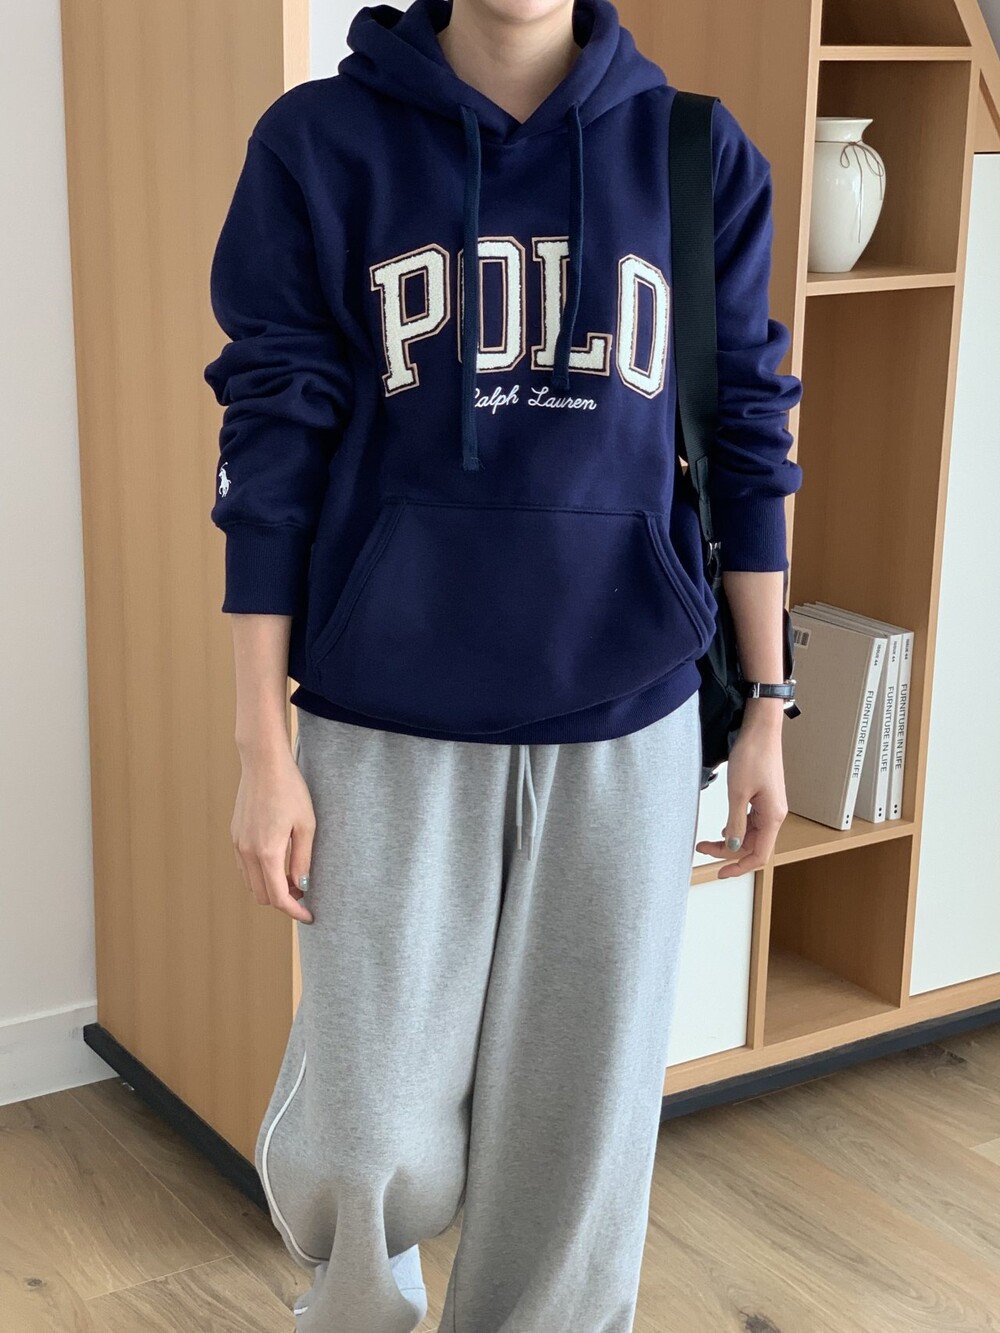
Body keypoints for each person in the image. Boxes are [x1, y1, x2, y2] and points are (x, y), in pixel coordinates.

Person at [202, 0, 803, 1327]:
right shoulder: (321, 142)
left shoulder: (694, 152)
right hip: (386, 715)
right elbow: (269, 447)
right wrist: (260, 740)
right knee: (366, 1130)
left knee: (579, 1139)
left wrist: (768, 702)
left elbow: (750, 437)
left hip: (627, 720)